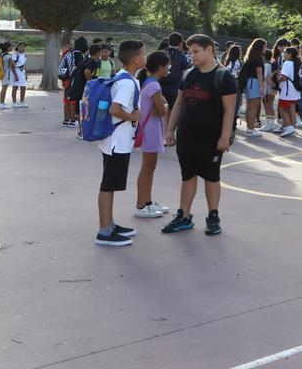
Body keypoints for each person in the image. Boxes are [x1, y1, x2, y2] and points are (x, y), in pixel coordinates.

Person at [161, 34, 239, 236]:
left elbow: (229, 110)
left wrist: (224, 137)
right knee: (187, 176)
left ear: (210, 50)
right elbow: (178, 103)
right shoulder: (188, 75)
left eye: (196, 51)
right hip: (187, 136)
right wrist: (170, 129)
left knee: (212, 177)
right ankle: (184, 216)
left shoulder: (224, 77)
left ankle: (213, 216)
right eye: (189, 51)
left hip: (211, 138)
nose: (191, 55)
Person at [95, 40, 144, 246]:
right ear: (135, 59)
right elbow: (115, 109)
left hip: (115, 140)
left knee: (111, 184)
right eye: (143, 54)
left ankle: (110, 224)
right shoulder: (126, 83)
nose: (145, 57)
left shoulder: (125, 78)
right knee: (108, 185)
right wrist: (134, 117)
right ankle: (104, 231)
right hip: (117, 141)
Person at [133, 50, 171, 218]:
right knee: (148, 167)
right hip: (151, 129)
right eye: (167, 66)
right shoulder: (154, 85)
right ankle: (141, 205)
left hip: (149, 128)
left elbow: (159, 109)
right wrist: (164, 106)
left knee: (149, 167)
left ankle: (147, 202)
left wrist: (161, 106)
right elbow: (162, 110)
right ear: (161, 67)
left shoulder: (147, 82)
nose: (169, 69)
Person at [239, 39, 266, 137]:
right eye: (264, 46)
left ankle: (250, 128)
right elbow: (259, 73)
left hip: (247, 82)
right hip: (254, 82)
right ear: (260, 47)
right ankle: (250, 129)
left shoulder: (249, 57)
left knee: (249, 106)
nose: (265, 49)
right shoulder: (258, 59)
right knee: (254, 106)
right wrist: (261, 87)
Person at [59, 35, 87, 125]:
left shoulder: (69, 53)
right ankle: (73, 120)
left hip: (66, 79)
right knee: (73, 101)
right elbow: (80, 69)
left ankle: (66, 120)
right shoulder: (79, 55)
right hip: (73, 80)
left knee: (66, 100)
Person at [275, 46, 302, 136]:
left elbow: (284, 77)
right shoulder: (298, 63)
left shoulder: (287, 63)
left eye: (285, 52)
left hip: (287, 90)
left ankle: (288, 127)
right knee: (291, 108)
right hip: (295, 90)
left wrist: (278, 78)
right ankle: (291, 127)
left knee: (281, 108)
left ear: (290, 54)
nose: (283, 54)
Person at [0, 41, 14, 110]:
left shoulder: (1, 54)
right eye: (11, 46)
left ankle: (2, 103)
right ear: (7, 48)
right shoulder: (8, 56)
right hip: (6, 74)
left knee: (3, 88)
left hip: (2, 73)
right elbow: (13, 64)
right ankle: (1, 103)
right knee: (4, 88)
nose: (12, 47)